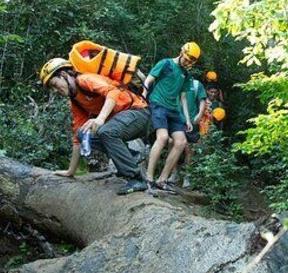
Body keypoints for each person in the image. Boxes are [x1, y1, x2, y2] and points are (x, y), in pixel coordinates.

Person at [40, 58, 150, 195]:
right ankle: (130, 155)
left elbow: (113, 92)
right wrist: (70, 171)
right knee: (82, 133)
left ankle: (136, 179)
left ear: (63, 75)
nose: (56, 90)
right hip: (120, 123)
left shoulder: (86, 79)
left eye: (54, 84)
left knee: (106, 131)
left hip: (139, 114)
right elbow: (77, 138)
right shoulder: (75, 102)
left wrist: (101, 118)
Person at [142, 42, 199, 193]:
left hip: (174, 110)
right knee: (162, 138)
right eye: (187, 59)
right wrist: (143, 96)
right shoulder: (165, 63)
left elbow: (184, 98)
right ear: (181, 52)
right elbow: (149, 79)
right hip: (158, 104)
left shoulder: (186, 74)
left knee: (181, 142)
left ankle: (162, 179)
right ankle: (149, 177)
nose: (188, 63)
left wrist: (187, 119)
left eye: (191, 61)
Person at [169, 76, 207, 188]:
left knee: (189, 149)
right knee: (171, 144)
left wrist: (199, 114)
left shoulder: (195, 84)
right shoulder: (174, 82)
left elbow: (202, 100)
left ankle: (187, 175)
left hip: (191, 120)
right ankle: (174, 173)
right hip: (175, 119)